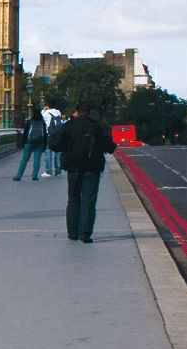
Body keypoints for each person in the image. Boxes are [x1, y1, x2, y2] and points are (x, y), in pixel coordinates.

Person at [51, 101, 116, 243]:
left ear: (77, 112)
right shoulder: (98, 126)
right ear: (90, 112)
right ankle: (85, 234)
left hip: (73, 168)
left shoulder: (68, 126)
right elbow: (110, 147)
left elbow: (54, 145)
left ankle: (73, 233)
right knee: (89, 201)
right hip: (92, 167)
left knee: (73, 199)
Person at [13, 106, 49, 180]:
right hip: (39, 143)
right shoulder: (42, 123)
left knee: (24, 160)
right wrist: (44, 145)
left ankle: (18, 176)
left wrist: (22, 144)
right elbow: (45, 135)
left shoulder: (30, 121)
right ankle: (34, 175)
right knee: (37, 160)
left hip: (29, 143)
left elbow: (25, 133)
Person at [42, 105, 65, 176]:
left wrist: (44, 110)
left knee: (48, 152)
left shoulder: (45, 113)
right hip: (58, 135)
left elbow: (42, 119)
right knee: (58, 153)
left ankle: (48, 171)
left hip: (49, 135)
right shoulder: (58, 112)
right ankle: (58, 170)